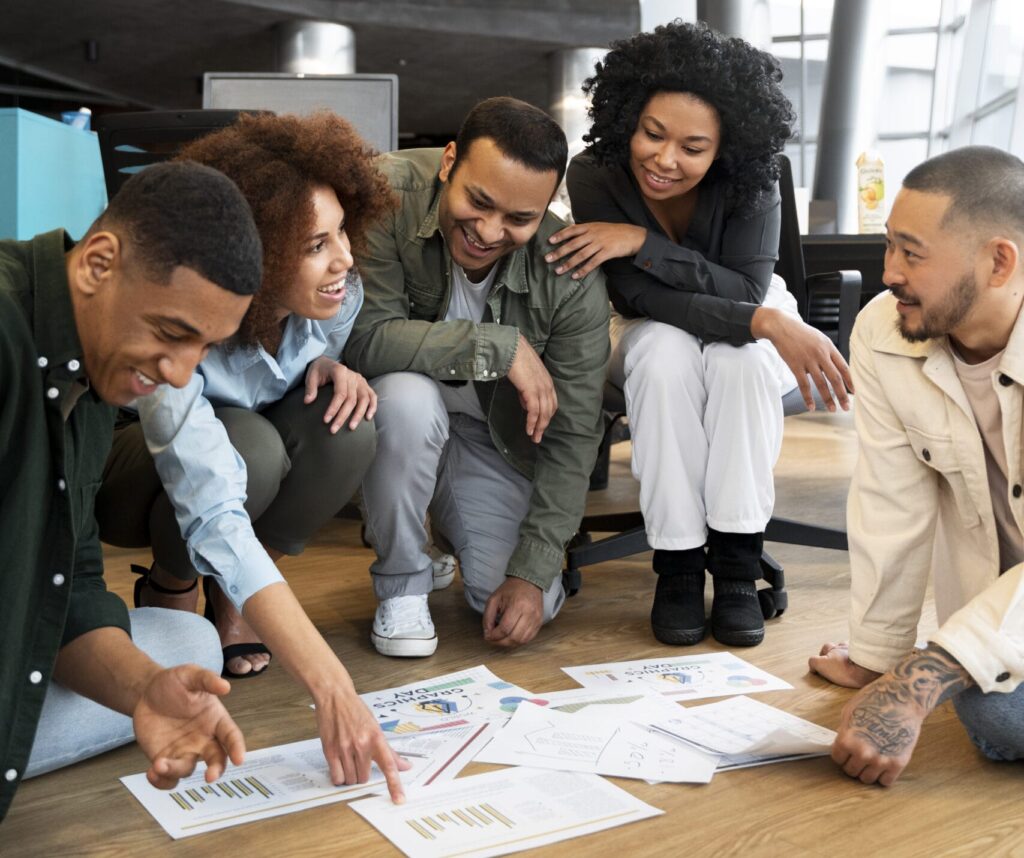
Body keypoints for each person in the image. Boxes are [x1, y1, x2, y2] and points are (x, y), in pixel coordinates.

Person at [94, 113, 408, 800]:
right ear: (260, 258)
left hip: (245, 444)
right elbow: (207, 494)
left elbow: (312, 355)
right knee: (250, 450)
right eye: (316, 245)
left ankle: (236, 602)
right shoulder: (182, 334)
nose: (345, 261)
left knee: (348, 423)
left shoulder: (338, 294)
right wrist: (330, 683)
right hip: (137, 468)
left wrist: (331, 364)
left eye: (343, 235)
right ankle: (173, 586)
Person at [547, 21, 853, 648]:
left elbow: (743, 292)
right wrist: (753, 317)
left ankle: (739, 568)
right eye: (652, 134)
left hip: (754, 315)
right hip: (640, 323)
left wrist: (639, 243)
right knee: (663, 354)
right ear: (627, 118)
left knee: (738, 362)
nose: (664, 160)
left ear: (725, 149)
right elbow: (636, 296)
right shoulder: (595, 174)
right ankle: (679, 566)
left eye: (692, 147)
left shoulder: (753, 178)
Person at [0, 161, 261, 823]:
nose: (180, 373)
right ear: (98, 263)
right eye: (172, 333)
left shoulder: (91, 365)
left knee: (186, 650)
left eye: (205, 347)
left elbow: (71, 589)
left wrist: (147, 690)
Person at [346, 96, 610, 656]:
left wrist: (534, 573)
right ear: (448, 163)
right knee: (406, 398)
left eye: (519, 219)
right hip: (400, 414)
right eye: (478, 201)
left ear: (547, 207)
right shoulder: (384, 194)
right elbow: (364, 340)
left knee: (512, 596)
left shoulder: (570, 275)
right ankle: (402, 582)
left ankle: (441, 527)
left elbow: (576, 433)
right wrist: (496, 345)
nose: (489, 231)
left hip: (494, 441)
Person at [810, 145, 1024, 785]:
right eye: (888, 247)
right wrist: (879, 657)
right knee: (994, 711)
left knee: (995, 720)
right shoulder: (884, 329)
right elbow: (888, 500)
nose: (887, 273)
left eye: (912, 253)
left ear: (998, 262)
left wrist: (919, 678)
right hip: (999, 609)